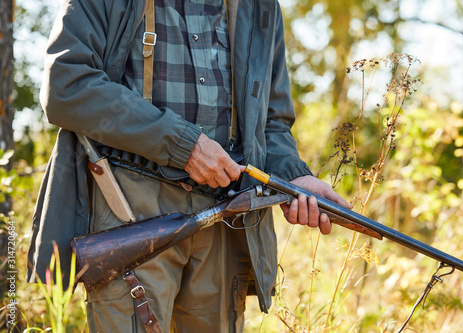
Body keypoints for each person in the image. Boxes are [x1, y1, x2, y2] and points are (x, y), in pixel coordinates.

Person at [26, 0, 352, 332]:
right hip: (128, 208)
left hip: (227, 214)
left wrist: (295, 178)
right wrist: (185, 147)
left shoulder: (260, 5)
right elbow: (67, 85)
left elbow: (270, 123)